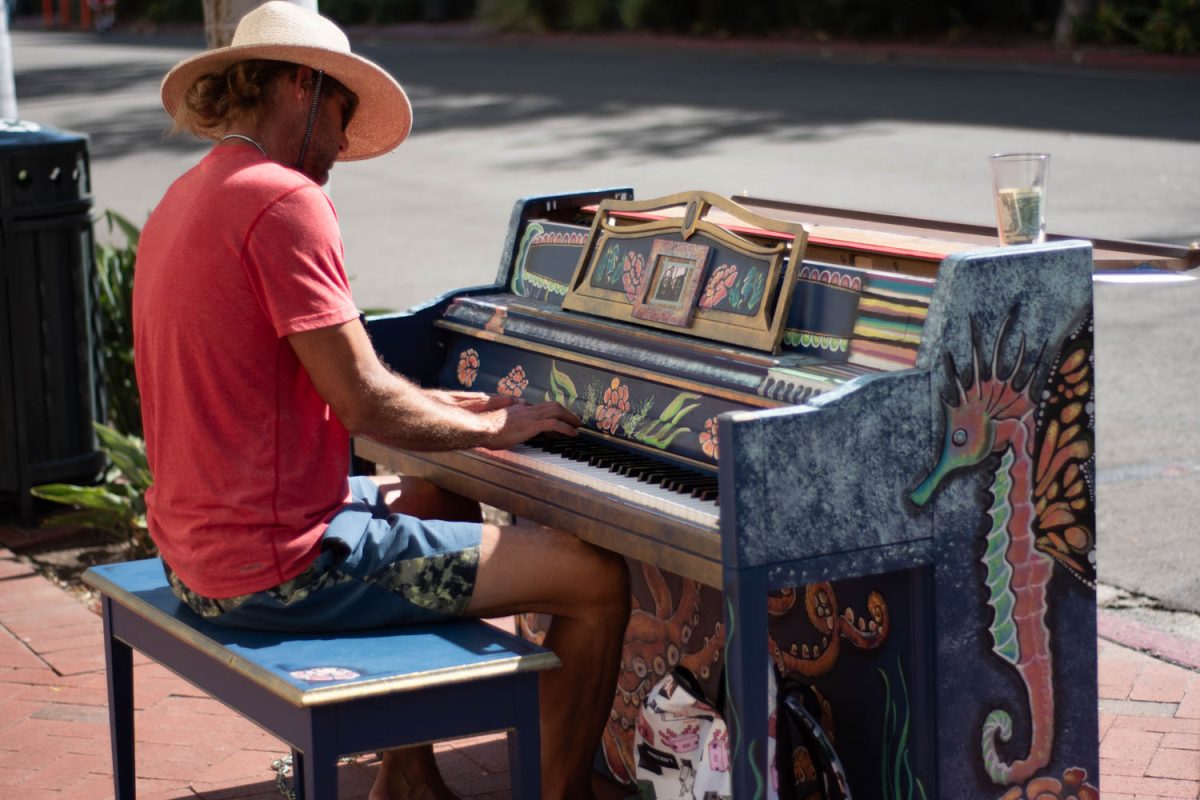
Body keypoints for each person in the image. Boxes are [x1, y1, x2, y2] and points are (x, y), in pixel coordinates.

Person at [132, 3, 630, 799]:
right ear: (302, 85)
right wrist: (501, 423)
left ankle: (408, 777)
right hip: (275, 572)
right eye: (342, 111)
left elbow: (334, 379)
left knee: (438, 494)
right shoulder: (282, 200)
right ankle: (559, 791)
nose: (340, 144)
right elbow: (363, 404)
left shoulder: (189, 196)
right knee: (596, 575)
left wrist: (460, 413)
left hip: (197, 551)